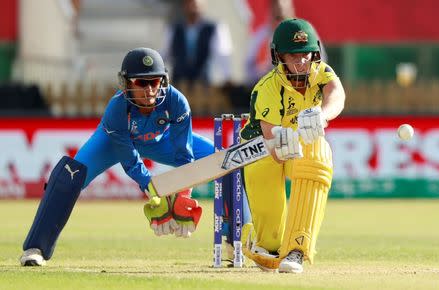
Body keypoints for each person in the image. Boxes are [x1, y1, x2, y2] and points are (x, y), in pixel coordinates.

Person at [19, 47, 214, 266]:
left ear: (163, 81)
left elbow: (183, 155)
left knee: (223, 161)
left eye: (155, 81)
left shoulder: (177, 102)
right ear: (127, 83)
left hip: (163, 141)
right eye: (141, 83)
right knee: (68, 177)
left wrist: (182, 194)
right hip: (113, 144)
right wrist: (154, 193)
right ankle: (35, 248)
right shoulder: (117, 109)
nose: (149, 89)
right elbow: (130, 161)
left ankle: (237, 238)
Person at [240, 18, 345, 273]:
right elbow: (273, 147)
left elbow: (337, 93)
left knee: (318, 152)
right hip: (261, 151)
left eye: (305, 54)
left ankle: (298, 249)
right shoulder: (267, 87)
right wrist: (282, 139)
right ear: (279, 56)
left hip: (300, 148)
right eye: (293, 55)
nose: (301, 61)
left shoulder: (320, 71)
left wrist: (322, 115)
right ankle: (257, 239)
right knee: (271, 247)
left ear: (315, 52)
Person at [161, 0, 233, 114]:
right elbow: (165, 53)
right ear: (184, 6)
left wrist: (227, 75)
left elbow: (222, 54)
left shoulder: (213, 27)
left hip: (203, 81)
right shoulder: (174, 28)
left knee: (202, 113)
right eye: (190, 4)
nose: (193, 8)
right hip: (180, 81)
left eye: (196, 4)